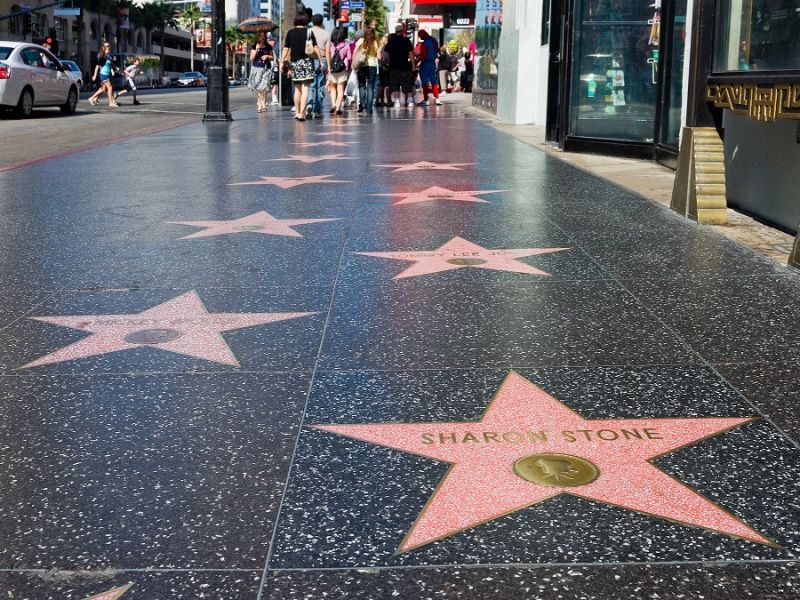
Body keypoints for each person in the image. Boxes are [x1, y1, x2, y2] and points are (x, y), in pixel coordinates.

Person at [281, 13, 322, 121]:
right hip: (307, 62)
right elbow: (316, 47)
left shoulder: (290, 33)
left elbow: (286, 49)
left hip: (295, 64)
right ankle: (302, 114)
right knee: (306, 88)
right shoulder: (309, 32)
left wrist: (282, 62)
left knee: (297, 89)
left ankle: (297, 112)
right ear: (305, 22)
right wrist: (320, 61)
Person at [384, 23, 415, 108]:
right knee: (407, 84)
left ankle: (397, 102)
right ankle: (410, 101)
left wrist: (385, 62)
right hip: (405, 66)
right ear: (402, 31)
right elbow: (411, 54)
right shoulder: (406, 40)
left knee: (395, 84)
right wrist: (413, 64)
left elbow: (385, 55)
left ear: (395, 31)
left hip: (393, 67)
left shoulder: (391, 41)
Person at [353, 27, 380, 115]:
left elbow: (354, 52)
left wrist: (353, 64)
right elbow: (379, 57)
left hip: (361, 66)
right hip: (372, 66)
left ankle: (363, 104)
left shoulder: (361, 41)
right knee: (370, 87)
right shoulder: (375, 42)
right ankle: (369, 108)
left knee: (361, 85)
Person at [308, 14, 330, 118]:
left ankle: (309, 104)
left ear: (312, 21)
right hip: (323, 59)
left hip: (310, 59)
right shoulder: (326, 34)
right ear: (321, 22)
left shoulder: (308, 32)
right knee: (320, 85)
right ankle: (317, 108)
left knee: (311, 84)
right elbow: (328, 51)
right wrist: (329, 66)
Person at [326, 27, 351, 115]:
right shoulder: (346, 45)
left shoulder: (331, 45)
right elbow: (349, 58)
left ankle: (333, 105)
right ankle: (337, 107)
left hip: (332, 69)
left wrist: (328, 67)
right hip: (342, 69)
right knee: (340, 89)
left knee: (333, 88)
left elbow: (328, 55)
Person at [248, 30, 274, 113]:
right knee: (258, 87)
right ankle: (260, 104)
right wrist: (256, 50)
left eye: (264, 35)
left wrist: (267, 56)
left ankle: (263, 103)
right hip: (256, 68)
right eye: (261, 36)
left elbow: (272, 57)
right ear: (258, 37)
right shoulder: (254, 46)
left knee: (264, 86)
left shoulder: (268, 46)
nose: (262, 37)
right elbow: (251, 58)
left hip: (266, 68)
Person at [415, 29, 440, 106]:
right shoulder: (434, 41)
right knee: (434, 81)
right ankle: (437, 99)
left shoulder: (425, 44)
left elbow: (423, 56)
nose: (420, 37)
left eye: (420, 36)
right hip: (432, 63)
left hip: (425, 64)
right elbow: (437, 50)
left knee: (425, 82)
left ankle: (426, 100)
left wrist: (416, 62)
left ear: (422, 35)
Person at [88, 42, 118, 107]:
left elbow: (111, 65)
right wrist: (95, 75)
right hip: (103, 74)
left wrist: (114, 69)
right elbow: (97, 66)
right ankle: (110, 102)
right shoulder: (101, 57)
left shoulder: (108, 57)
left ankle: (92, 98)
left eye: (109, 48)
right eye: (107, 48)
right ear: (104, 49)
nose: (109, 49)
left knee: (103, 89)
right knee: (110, 87)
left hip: (107, 74)